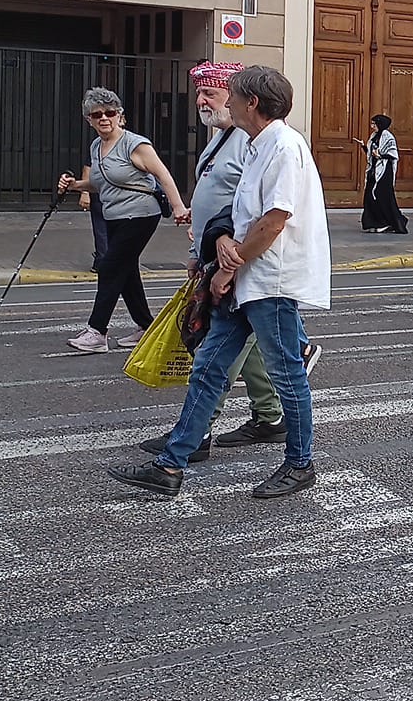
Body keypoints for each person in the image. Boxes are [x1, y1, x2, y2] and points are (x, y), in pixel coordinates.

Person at [109, 65, 331, 500]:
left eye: (230, 96)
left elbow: (274, 221)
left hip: (271, 280)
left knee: (287, 375)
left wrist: (229, 265)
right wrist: (224, 238)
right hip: (247, 279)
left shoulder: (284, 147)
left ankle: (300, 463)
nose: (225, 103)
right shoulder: (256, 144)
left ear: (252, 103)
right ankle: (171, 464)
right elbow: (245, 210)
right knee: (209, 367)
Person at [55, 87, 190, 353]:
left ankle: (97, 331)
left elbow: (164, 176)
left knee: (109, 266)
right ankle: (145, 327)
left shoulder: (135, 144)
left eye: (110, 112)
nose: (104, 118)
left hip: (140, 214)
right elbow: (98, 183)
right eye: (97, 115)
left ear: (120, 116)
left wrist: (178, 208)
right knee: (127, 272)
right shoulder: (97, 146)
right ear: (89, 120)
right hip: (114, 216)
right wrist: (74, 185)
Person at [361, 114, 411, 235]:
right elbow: (372, 151)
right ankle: (373, 222)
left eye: (374, 124)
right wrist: (365, 147)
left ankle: (388, 222)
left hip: (384, 173)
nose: (372, 127)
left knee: (382, 197)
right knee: (369, 196)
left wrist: (381, 156)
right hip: (374, 171)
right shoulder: (374, 136)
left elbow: (392, 154)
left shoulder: (388, 137)